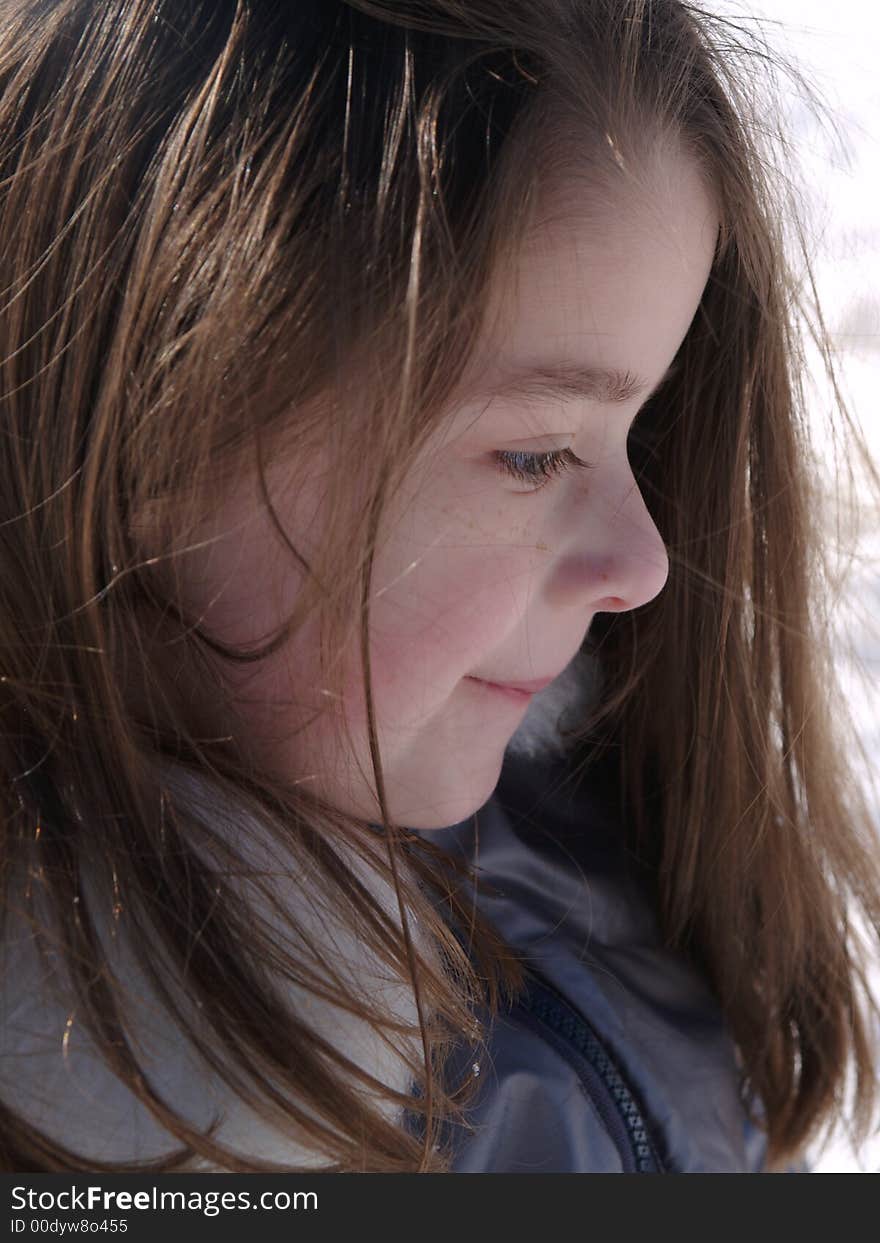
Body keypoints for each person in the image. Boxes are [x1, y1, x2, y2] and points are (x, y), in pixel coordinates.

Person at [0, 0, 878, 1174]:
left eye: (643, 428)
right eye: (533, 454)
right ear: (156, 419)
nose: (646, 562)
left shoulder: (577, 825)